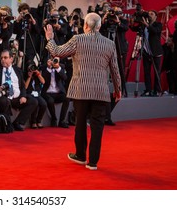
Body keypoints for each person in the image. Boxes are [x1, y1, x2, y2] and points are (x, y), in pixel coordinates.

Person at [44, 12, 121, 170]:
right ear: (99, 26)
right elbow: (115, 69)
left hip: (81, 90)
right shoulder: (109, 44)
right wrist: (118, 89)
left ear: (85, 25)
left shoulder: (77, 39)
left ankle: (80, 155)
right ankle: (93, 162)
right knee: (97, 127)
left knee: (80, 123)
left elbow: (57, 52)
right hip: (101, 91)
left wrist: (50, 39)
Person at [0, 49, 38, 131]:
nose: (3, 60)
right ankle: (7, 124)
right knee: (4, 101)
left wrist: (23, 96)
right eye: (1, 58)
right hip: (3, 96)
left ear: (11, 59)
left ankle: (18, 122)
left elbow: (23, 86)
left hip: (16, 97)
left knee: (33, 101)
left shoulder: (17, 70)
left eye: (5, 57)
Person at [40, 57, 68, 128]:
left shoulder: (61, 67)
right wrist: (49, 68)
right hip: (47, 92)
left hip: (58, 92)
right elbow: (44, 80)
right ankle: (54, 118)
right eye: (53, 60)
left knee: (67, 98)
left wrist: (58, 67)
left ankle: (62, 120)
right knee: (50, 101)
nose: (54, 62)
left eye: (56, 60)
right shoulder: (45, 67)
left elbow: (65, 78)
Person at [141, 10, 163, 97]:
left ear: (155, 16)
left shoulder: (158, 24)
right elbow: (134, 28)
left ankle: (157, 90)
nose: (149, 15)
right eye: (148, 14)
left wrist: (147, 25)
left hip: (156, 52)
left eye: (152, 14)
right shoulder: (144, 24)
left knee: (156, 72)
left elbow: (155, 31)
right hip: (146, 51)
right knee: (146, 72)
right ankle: (148, 90)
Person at [13, 3, 41, 70]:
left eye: (26, 11)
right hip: (20, 45)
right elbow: (14, 31)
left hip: (30, 46)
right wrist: (17, 20)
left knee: (28, 64)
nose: (25, 13)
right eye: (23, 11)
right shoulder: (19, 21)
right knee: (19, 64)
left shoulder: (32, 20)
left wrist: (32, 21)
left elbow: (38, 31)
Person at [24, 62, 47, 129]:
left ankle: (39, 120)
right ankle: (33, 122)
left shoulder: (36, 74)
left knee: (44, 104)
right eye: (31, 68)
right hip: (29, 93)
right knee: (35, 103)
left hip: (37, 93)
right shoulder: (25, 74)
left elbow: (43, 82)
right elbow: (25, 87)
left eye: (33, 67)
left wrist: (38, 74)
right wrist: (29, 77)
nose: (32, 69)